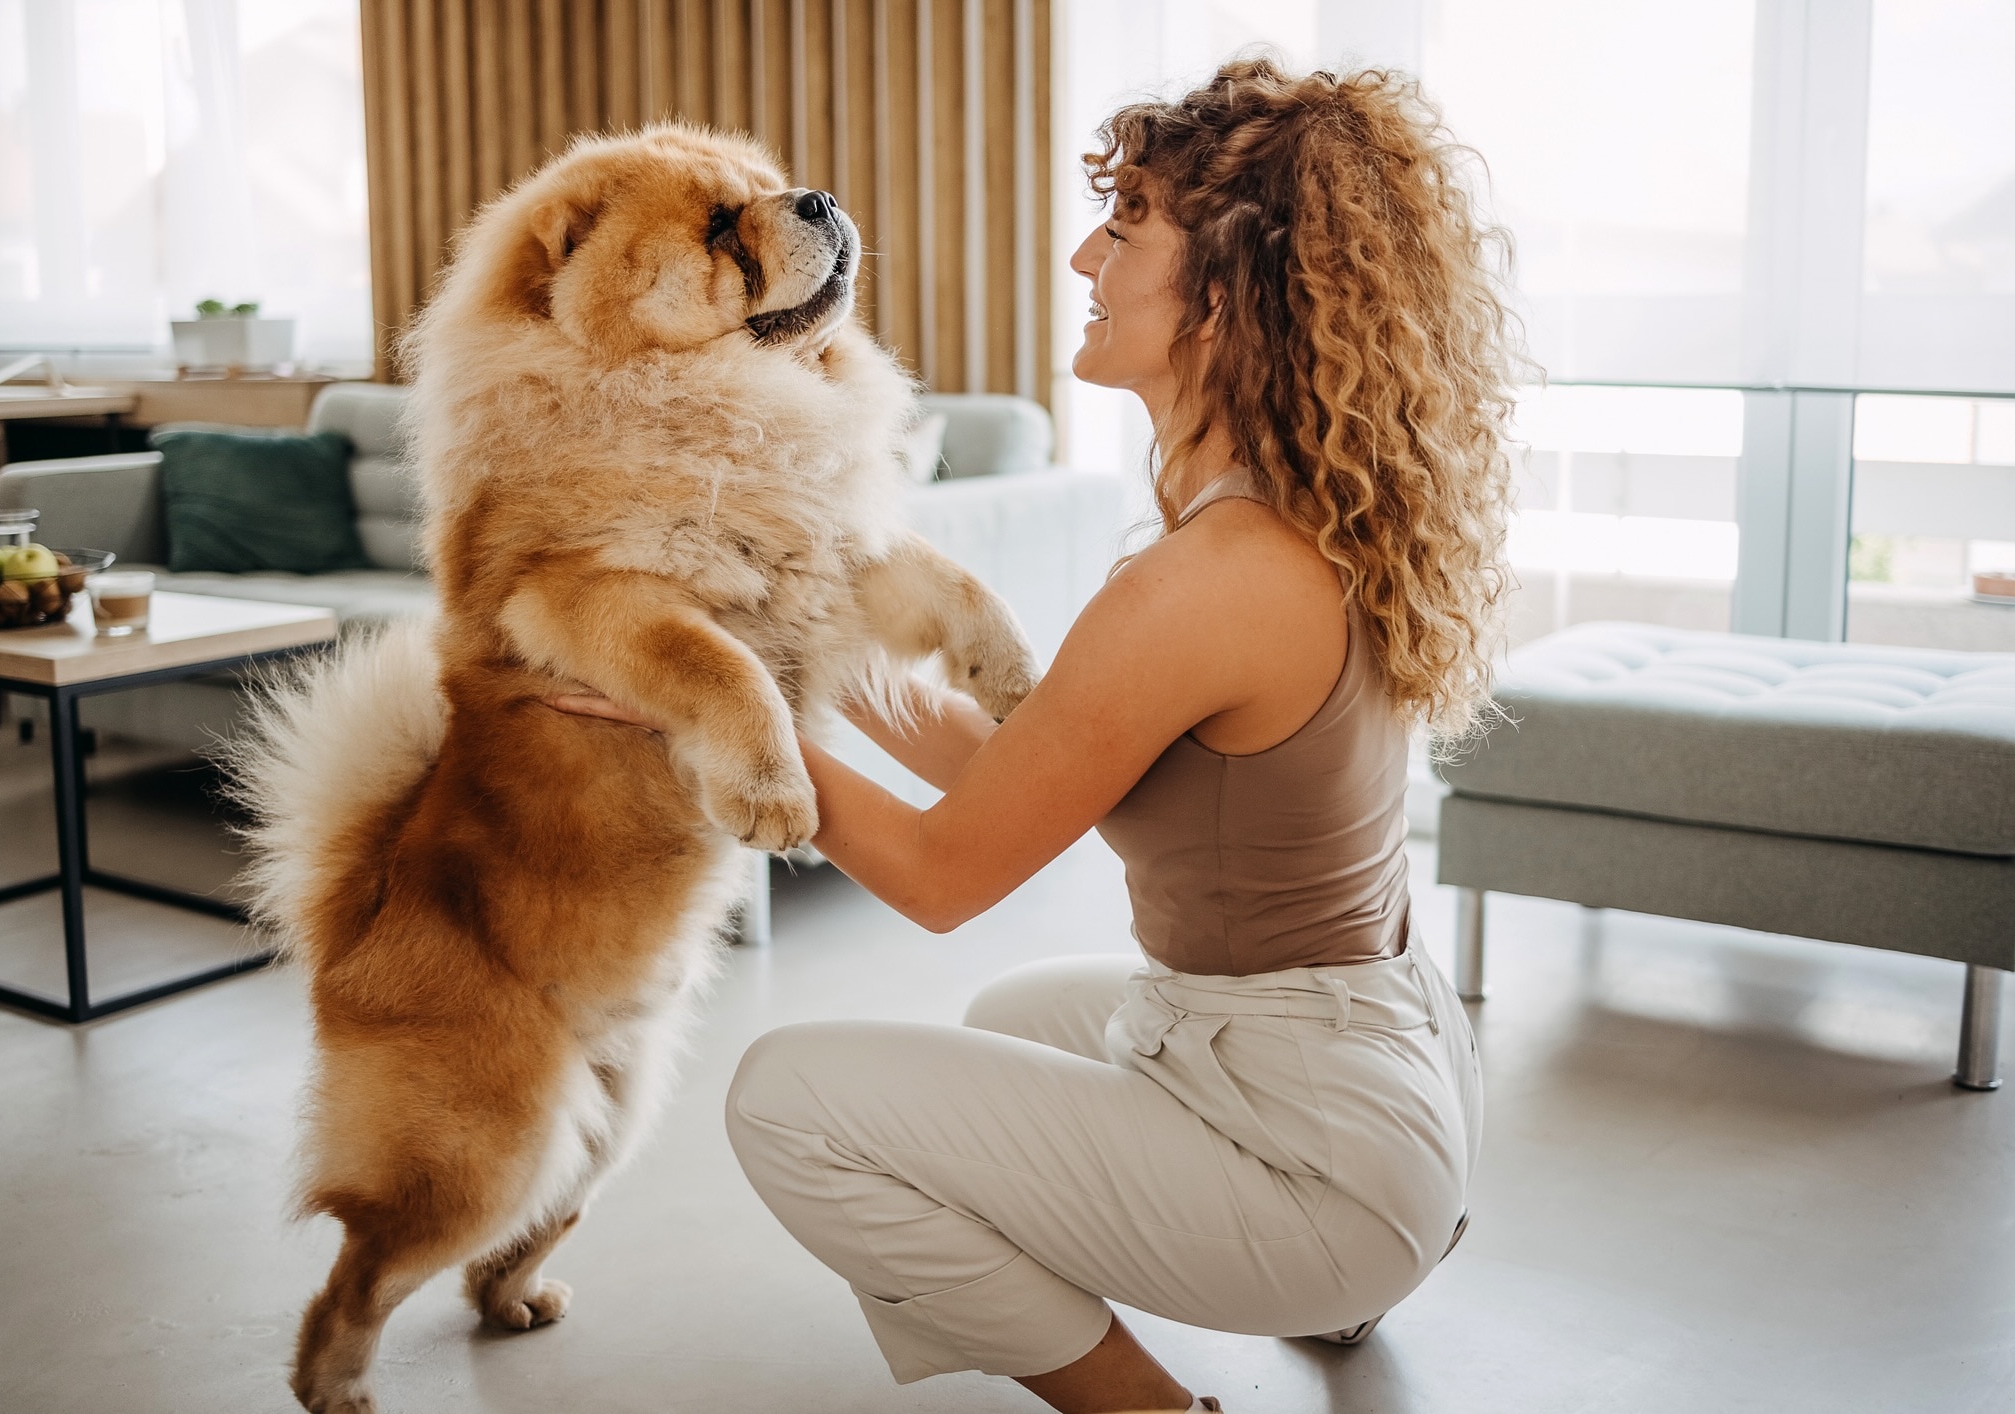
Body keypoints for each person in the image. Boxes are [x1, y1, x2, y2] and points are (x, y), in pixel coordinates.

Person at [555, 59, 1519, 1414]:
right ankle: (1352, 1275)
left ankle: (1159, 1401)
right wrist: (791, 648)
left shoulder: (1210, 579)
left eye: (1125, 228)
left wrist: (714, 718)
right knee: (1016, 1018)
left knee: (789, 1098)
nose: (1084, 251)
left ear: (1232, 291)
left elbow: (947, 876)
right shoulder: (1283, 511)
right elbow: (1035, 758)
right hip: (1369, 1068)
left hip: (1326, 1154)